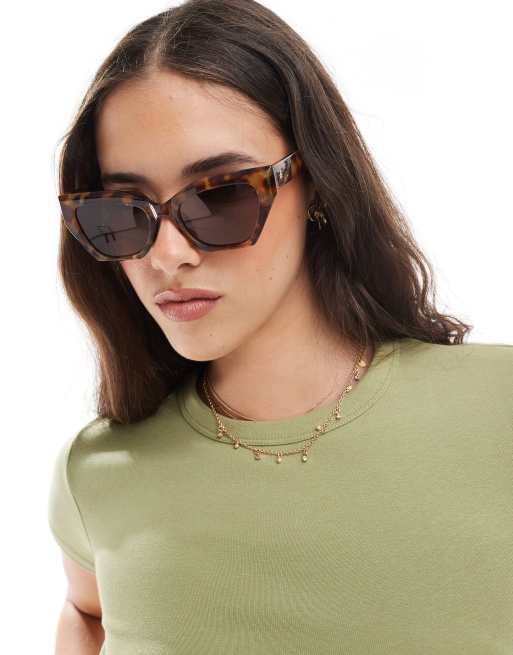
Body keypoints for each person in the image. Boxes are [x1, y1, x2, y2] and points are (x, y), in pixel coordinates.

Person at [47, 0, 513, 653]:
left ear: (315, 183)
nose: (167, 255)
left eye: (219, 195)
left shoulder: (498, 406)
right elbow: (87, 614)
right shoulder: (98, 471)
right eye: (123, 211)